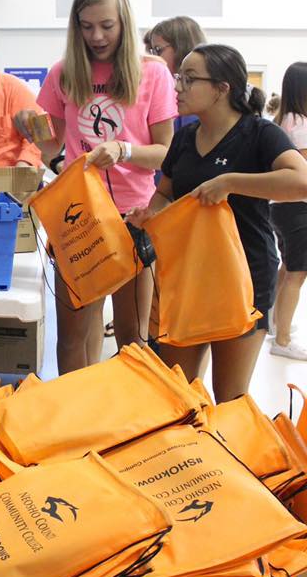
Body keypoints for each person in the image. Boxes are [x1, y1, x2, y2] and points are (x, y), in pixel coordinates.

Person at [15, 0, 178, 374]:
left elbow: (167, 154)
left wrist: (123, 150)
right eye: (87, 26)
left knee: (133, 339)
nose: (97, 36)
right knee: (73, 338)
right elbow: (53, 144)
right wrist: (34, 133)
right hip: (79, 220)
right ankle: (77, 423)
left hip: (134, 220)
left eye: (107, 25)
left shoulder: (152, 74)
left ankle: (130, 426)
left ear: (124, 20)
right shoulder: (62, 73)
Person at [128, 44, 307, 401]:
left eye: (190, 79)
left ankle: (229, 456)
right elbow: (165, 193)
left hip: (244, 278)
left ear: (222, 88)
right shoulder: (183, 138)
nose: (178, 87)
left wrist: (230, 182)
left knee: (229, 399)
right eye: (180, 77)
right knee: (178, 393)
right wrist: (152, 215)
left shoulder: (259, 134)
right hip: (190, 276)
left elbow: (301, 181)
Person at [269, 63, 307, 361]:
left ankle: (276, 325)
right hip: (298, 207)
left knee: (287, 268)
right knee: (298, 272)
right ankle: (282, 339)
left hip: (279, 207)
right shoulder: (302, 124)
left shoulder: (284, 119)